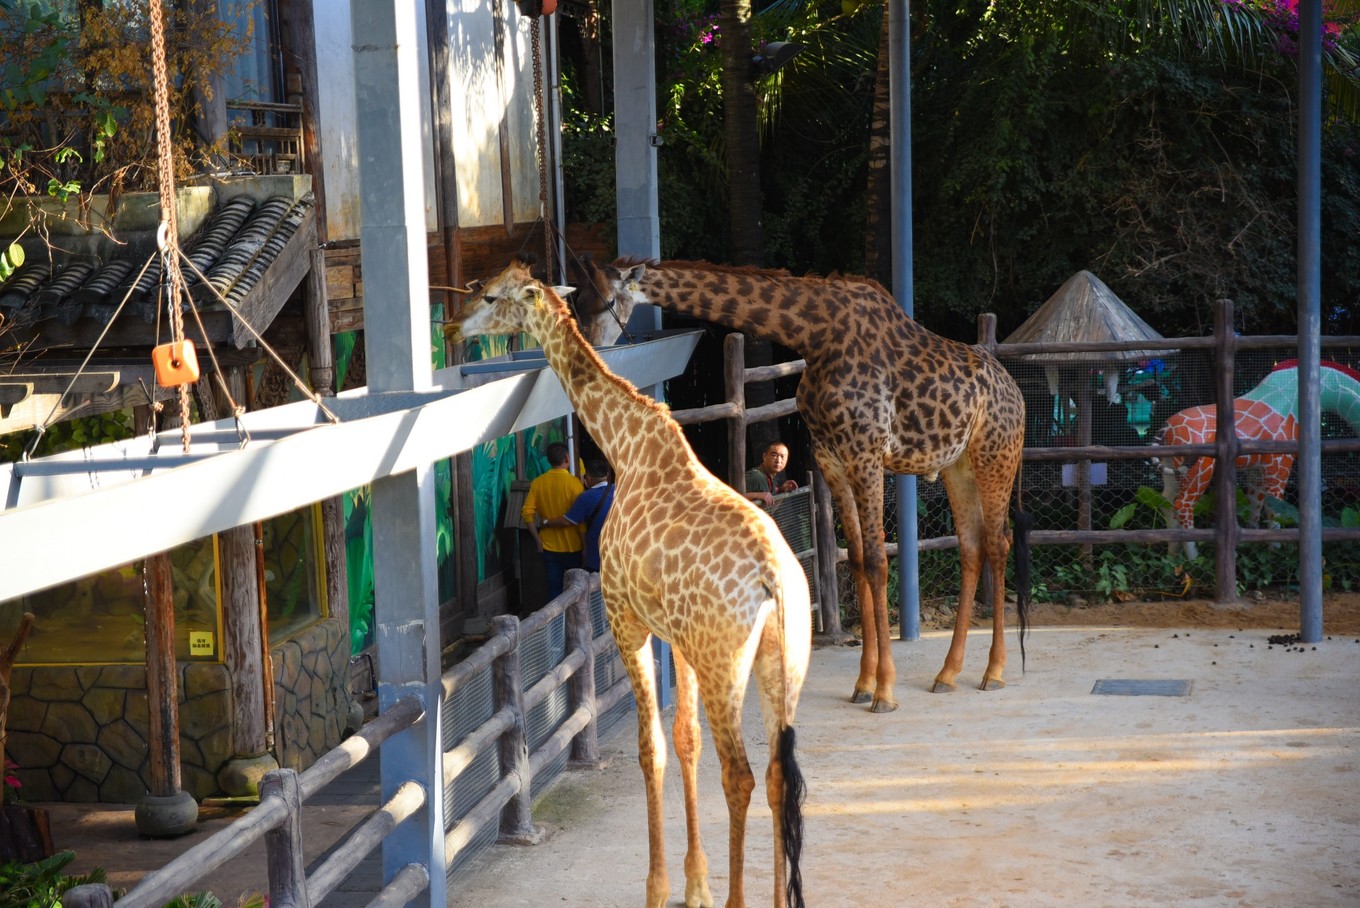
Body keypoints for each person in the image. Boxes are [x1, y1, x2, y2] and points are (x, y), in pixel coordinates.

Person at [522, 442, 584, 602]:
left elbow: (527, 513)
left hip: (548, 546)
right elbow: (581, 521)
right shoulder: (574, 484)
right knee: (577, 592)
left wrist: (538, 541)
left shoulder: (538, 482)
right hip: (573, 547)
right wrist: (585, 546)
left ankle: (555, 619)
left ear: (549, 460)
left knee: (554, 591)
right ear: (567, 458)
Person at [541, 458, 614, 573]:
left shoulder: (586, 497)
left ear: (588, 478)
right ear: (607, 475)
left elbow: (566, 521)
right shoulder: (620, 490)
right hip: (619, 555)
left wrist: (546, 522)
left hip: (596, 556)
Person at [743, 441, 798, 510]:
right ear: (764, 456)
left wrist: (782, 491)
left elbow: (771, 509)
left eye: (782, 457)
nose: (778, 461)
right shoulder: (754, 476)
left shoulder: (773, 479)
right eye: (774, 455)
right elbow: (733, 498)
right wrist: (757, 495)